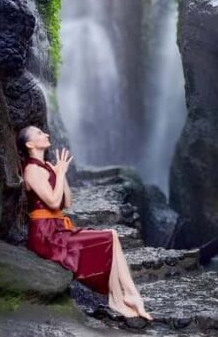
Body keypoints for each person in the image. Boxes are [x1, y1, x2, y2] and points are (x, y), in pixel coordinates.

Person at [17, 126, 152, 321]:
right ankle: (119, 297)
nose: (45, 134)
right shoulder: (32, 169)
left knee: (111, 235)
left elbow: (67, 202)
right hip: (45, 236)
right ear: (30, 144)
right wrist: (61, 173)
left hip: (58, 229)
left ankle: (128, 294)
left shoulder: (46, 167)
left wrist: (60, 175)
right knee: (108, 237)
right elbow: (53, 202)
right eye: (39, 133)